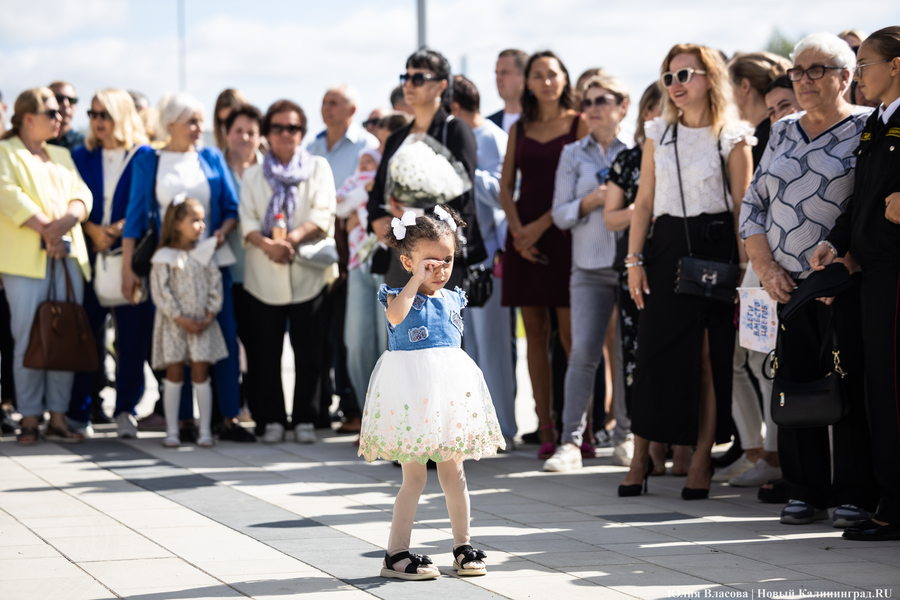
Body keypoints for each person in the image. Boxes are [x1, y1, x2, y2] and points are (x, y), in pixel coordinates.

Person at [740, 32, 878, 527]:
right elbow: (753, 204)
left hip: (842, 284)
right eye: (798, 71)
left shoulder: (868, 128)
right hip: (784, 286)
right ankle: (804, 490)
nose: (804, 81)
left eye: (817, 70)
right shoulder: (782, 129)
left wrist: (841, 267)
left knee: (849, 388)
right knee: (794, 386)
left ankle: (857, 494)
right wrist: (766, 268)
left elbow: (866, 209)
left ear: (847, 77)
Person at [621, 44, 753, 500]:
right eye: (668, 77)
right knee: (653, 352)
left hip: (716, 250)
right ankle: (641, 457)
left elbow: (743, 210)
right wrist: (634, 261)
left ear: (709, 78)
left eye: (684, 75)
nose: (675, 85)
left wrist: (743, 271)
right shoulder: (659, 133)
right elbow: (642, 204)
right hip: (665, 247)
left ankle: (701, 460)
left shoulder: (733, 137)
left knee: (706, 360)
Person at [358, 207, 504, 580]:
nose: (439, 270)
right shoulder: (399, 295)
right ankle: (396, 553)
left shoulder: (454, 297)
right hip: (411, 396)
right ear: (407, 261)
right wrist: (414, 281)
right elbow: (394, 317)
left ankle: (462, 545)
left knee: (454, 473)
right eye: (429, 263)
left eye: (447, 260)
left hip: (448, 396)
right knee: (416, 477)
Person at [812, 26, 900, 542]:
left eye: (864, 63)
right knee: (874, 390)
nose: (859, 74)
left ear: (895, 66)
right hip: (868, 273)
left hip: (893, 273)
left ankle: (893, 506)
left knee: (889, 390)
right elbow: (860, 197)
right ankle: (883, 494)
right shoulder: (877, 125)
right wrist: (838, 243)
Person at [123, 92, 244, 442]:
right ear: (171, 124)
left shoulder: (211, 156)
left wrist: (220, 232)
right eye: (192, 121)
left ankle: (227, 417)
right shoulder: (150, 159)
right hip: (168, 266)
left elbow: (231, 207)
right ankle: (182, 421)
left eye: (200, 121)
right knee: (175, 342)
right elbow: (134, 217)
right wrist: (128, 268)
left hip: (210, 262)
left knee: (219, 338)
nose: (198, 128)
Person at [498, 50, 589, 459]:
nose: (546, 80)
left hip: (565, 234)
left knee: (572, 338)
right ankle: (546, 427)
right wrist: (519, 232)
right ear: (528, 82)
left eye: (553, 73)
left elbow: (584, 187)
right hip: (523, 241)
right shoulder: (519, 127)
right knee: (533, 335)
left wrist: (538, 227)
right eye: (538, 75)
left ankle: (578, 428)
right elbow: (505, 187)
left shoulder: (579, 123)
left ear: (565, 78)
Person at [544, 74, 630, 472]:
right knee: (582, 354)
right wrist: (592, 201)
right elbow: (560, 214)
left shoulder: (638, 150)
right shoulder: (572, 154)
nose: (593, 108)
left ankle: (626, 436)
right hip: (588, 270)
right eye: (588, 101)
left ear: (623, 106)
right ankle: (570, 444)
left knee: (629, 353)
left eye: (602, 100)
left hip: (633, 268)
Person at [239, 99, 337, 444]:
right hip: (263, 272)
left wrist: (290, 240)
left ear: (302, 133)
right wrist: (268, 245)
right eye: (278, 127)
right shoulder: (253, 174)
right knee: (265, 352)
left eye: (293, 127)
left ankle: (306, 418)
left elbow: (324, 212)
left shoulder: (318, 167)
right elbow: (247, 219)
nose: (285, 134)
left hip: (307, 273)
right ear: (267, 132)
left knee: (309, 351)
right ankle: (271, 420)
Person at [714, 51, 791, 486]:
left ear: (743, 86)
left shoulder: (766, 134)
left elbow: (751, 204)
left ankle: (772, 457)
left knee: (761, 357)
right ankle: (759, 451)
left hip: (763, 260)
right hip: (756, 260)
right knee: (748, 356)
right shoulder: (759, 132)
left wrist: (750, 260)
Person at [0, 87, 93, 444]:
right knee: (28, 337)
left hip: (68, 258)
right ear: (28, 119)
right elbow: (9, 196)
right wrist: (49, 231)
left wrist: (66, 222)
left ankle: (57, 416)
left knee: (64, 333)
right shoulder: (5, 152)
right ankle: (29, 416)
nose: (60, 117)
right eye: (52, 112)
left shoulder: (61, 153)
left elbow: (82, 194)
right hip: (25, 262)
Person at [67, 89, 155, 438]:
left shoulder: (144, 155)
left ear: (121, 115)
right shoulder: (80, 155)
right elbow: (70, 198)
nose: (98, 121)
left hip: (129, 257)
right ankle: (80, 412)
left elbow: (147, 206)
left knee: (132, 338)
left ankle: (126, 409)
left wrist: (117, 230)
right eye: (92, 114)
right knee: (86, 337)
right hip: (90, 257)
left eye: (104, 114)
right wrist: (91, 229)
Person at [367, 49, 486, 291]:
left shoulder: (456, 131)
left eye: (418, 78)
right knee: (398, 327)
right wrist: (384, 225)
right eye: (406, 77)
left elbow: (462, 197)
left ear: (441, 85)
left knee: (440, 328)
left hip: (441, 259)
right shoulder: (397, 137)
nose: (408, 85)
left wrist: (417, 214)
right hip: (401, 254)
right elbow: (377, 194)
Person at [604, 82, 674, 474]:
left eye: (663, 109)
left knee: (677, 356)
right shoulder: (629, 161)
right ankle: (645, 444)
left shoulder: (686, 154)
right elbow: (610, 216)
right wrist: (644, 210)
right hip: (633, 266)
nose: (656, 116)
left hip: (677, 264)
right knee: (637, 358)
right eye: (651, 108)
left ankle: (680, 444)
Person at [450, 75, 517, 450]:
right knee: (470, 349)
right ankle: (477, 426)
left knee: (492, 349)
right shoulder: (468, 136)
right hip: (464, 257)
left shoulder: (491, 137)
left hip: (489, 257)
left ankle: (504, 428)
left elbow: (505, 193)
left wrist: (460, 170)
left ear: (455, 108)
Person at [151, 197, 228, 447]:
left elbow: (215, 285)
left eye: (202, 219)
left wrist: (209, 314)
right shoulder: (164, 257)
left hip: (202, 326)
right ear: (176, 224)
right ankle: (172, 430)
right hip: (174, 326)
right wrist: (179, 317)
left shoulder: (205, 254)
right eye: (195, 220)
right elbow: (161, 292)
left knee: (200, 373)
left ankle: (204, 430)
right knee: (173, 374)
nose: (201, 225)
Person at [221, 103, 263, 435]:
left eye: (251, 131)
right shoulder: (213, 167)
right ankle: (227, 410)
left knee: (256, 342)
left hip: (258, 272)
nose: (244, 137)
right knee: (225, 343)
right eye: (238, 131)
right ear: (226, 133)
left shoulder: (270, 171)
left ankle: (254, 406)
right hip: (222, 269)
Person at [307, 85, 380, 190]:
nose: (326, 108)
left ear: (352, 110)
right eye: (324, 103)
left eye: (333, 103)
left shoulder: (368, 145)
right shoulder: (312, 146)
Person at [487, 49, 528, 133]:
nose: (498, 78)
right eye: (496, 73)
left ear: (525, 76)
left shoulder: (543, 122)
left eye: (505, 72)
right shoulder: (487, 125)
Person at [47, 81, 85, 152]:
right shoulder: (35, 142)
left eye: (71, 100)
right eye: (59, 98)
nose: (65, 104)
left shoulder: (86, 145)